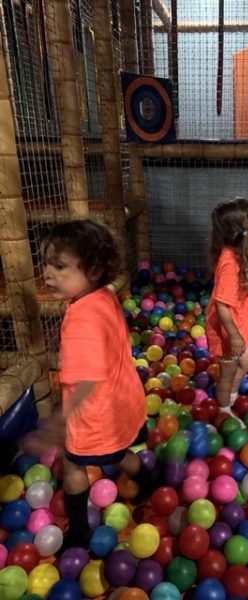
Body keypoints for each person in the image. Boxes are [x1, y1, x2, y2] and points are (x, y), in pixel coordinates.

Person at [37, 219, 156, 550]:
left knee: (73, 463)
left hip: (96, 415)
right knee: (116, 454)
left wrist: (59, 422)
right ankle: (147, 478)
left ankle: (78, 530)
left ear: (92, 270)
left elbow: (86, 378)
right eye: (46, 263)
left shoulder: (81, 320)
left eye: (59, 266)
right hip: (123, 403)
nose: (47, 274)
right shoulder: (103, 296)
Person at [205, 198, 248, 422]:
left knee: (247, 360)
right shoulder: (229, 264)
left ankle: (232, 395)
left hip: (239, 322)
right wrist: (234, 335)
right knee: (227, 373)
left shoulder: (238, 252)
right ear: (246, 230)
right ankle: (224, 408)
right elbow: (221, 305)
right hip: (228, 329)